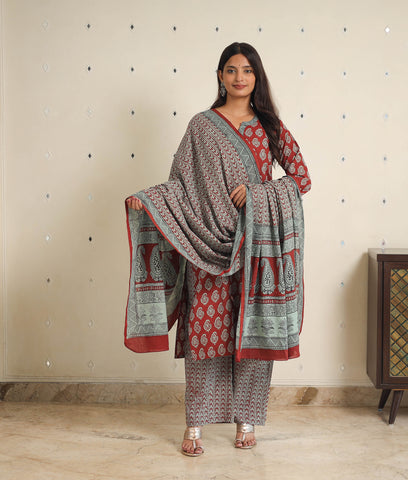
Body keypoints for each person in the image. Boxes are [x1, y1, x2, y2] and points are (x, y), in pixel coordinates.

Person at [125, 42, 311, 456]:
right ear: (221, 76)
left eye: (247, 70)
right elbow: (180, 184)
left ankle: (247, 420)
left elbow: (300, 179)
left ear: (257, 77)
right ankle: (194, 426)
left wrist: (259, 193)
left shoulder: (271, 127)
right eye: (231, 70)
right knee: (205, 334)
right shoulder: (202, 126)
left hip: (255, 248)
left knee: (251, 336)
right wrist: (149, 200)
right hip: (204, 245)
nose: (239, 78)